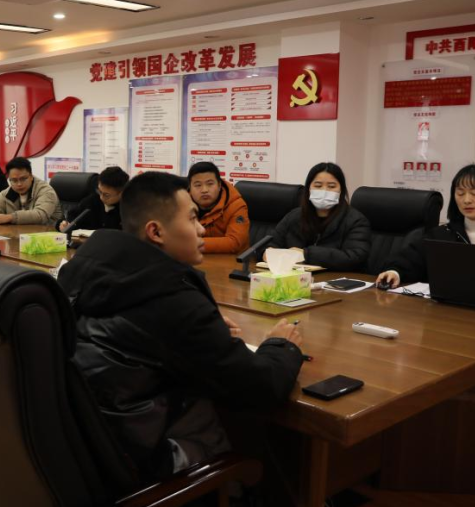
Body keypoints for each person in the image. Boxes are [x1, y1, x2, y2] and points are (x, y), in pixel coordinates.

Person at [58, 172, 304, 480]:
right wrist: (281, 345)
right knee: (245, 435)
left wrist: (204, 329)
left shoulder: (84, 270)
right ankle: (243, 503)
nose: (201, 229)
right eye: (192, 219)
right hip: (139, 463)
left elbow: (139, 334)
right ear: (156, 231)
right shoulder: (172, 297)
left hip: (81, 447)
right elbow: (261, 387)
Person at [376, 163, 475, 289]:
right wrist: (395, 272)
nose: (466, 200)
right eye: (460, 193)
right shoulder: (442, 235)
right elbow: (410, 260)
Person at [267, 162, 371, 271]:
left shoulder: (356, 221)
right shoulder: (294, 216)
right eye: (318, 186)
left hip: (336, 278)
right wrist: (267, 252)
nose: (324, 191)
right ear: (308, 189)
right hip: (294, 276)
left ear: (341, 190)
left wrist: (306, 254)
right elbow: (270, 243)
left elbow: (355, 257)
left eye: (331, 186)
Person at [188, 161, 249, 255]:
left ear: (219, 185)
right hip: (193, 258)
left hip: (231, 261)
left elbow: (234, 242)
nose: (204, 190)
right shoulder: (181, 204)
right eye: (198, 185)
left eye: (210, 184)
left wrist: (193, 244)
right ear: (190, 188)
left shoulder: (236, 205)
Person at [0, 156, 62, 225]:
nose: (19, 184)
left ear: (31, 176)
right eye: (14, 180)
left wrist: (10, 217)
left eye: (23, 179)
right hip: (21, 234)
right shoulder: (9, 192)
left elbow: (40, 215)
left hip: (48, 235)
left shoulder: (45, 190)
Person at [58, 166, 128, 233]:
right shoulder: (92, 201)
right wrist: (64, 225)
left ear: (121, 193)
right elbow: (72, 218)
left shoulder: (128, 210)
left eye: (106, 195)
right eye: (100, 191)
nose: (101, 197)